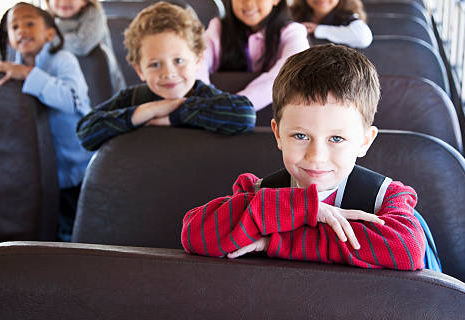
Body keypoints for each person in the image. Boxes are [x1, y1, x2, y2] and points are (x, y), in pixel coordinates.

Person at [181, 44, 425, 270]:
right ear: (278, 134)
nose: (316, 156)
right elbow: (195, 236)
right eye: (300, 136)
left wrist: (273, 242)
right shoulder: (257, 193)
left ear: (364, 141)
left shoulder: (386, 199)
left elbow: (407, 250)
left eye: (336, 139)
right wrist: (304, 208)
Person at [0, 2, 92, 242]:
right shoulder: (12, 64)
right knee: (46, 227)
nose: (22, 29)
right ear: (10, 39)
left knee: (73, 228)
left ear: (50, 33)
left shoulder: (62, 60)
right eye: (15, 27)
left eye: (30, 23)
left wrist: (29, 75)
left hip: (75, 166)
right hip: (38, 170)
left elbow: (71, 99)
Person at [76, 2, 256, 151]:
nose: (168, 73)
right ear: (139, 70)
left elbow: (245, 115)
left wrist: (176, 112)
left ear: (198, 60)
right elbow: (86, 132)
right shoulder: (133, 99)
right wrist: (148, 111)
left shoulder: (207, 98)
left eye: (178, 61)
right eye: (154, 64)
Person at [197, 0, 309, 113]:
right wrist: (203, 100)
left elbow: (286, 74)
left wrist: (230, 108)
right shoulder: (217, 29)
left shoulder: (293, 33)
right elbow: (197, 65)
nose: (248, 2)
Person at [43, 0, 126, 95]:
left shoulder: (94, 15)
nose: (63, 1)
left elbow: (81, 45)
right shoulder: (46, 20)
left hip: (103, 79)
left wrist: (48, 39)